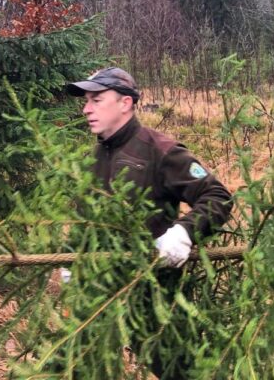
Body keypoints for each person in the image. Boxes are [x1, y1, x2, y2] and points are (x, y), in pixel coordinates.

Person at [66, 66, 233, 377]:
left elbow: (217, 196)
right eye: (86, 101)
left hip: (152, 292)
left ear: (125, 103)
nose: (86, 109)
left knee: (176, 370)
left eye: (96, 100)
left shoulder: (161, 151)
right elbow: (86, 217)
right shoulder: (93, 157)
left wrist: (183, 233)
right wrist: (71, 254)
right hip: (100, 291)